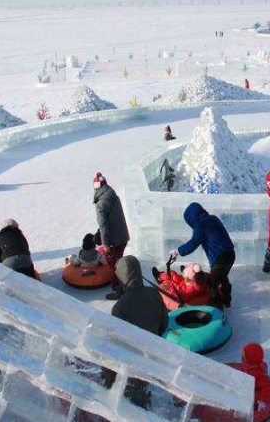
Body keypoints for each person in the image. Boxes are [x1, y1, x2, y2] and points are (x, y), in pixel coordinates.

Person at [109, 256, 168, 409]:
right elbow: (164, 323)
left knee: (132, 402)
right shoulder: (154, 293)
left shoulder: (120, 307)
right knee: (146, 391)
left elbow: (115, 341)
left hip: (131, 362)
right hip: (153, 354)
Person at [170, 202, 236, 308]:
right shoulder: (213, 218)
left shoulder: (200, 226)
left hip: (220, 258)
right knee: (223, 276)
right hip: (230, 253)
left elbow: (193, 244)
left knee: (212, 282)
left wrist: (178, 251)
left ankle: (216, 305)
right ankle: (226, 298)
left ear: (191, 219)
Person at [93, 172, 130, 300]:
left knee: (113, 266)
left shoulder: (101, 204)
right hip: (123, 236)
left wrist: (106, 245)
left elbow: (104, 227)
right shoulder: (112, 194)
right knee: (119, 262)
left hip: (114, 241)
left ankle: (119, 291)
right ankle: (124, 285)